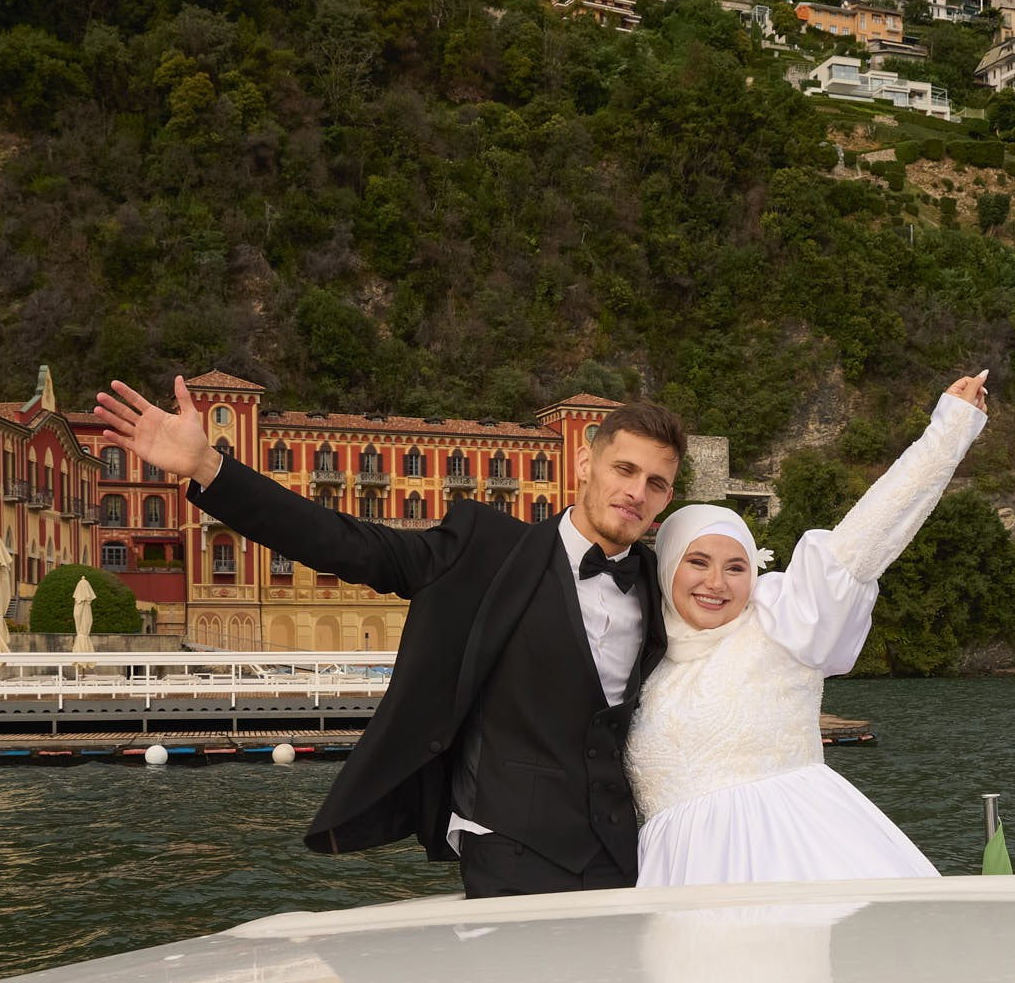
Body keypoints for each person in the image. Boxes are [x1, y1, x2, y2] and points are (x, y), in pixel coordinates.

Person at [92, 376, 685, 898]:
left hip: (622, 852)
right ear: (586, 464)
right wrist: (209, 469)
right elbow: (347, 542)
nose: (637, 492)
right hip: (510, 847)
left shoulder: (661, 587)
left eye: (657, 484)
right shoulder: (486, 549)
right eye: (624, 469)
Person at [626, 373, 989, 887]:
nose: (716, 583)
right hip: (673, 878)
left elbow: (869, 538)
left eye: (736, 567)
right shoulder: (639, 656)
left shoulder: (780, 627)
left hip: (792, 863)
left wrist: (949, 431)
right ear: (666, 569)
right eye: (698, 562)